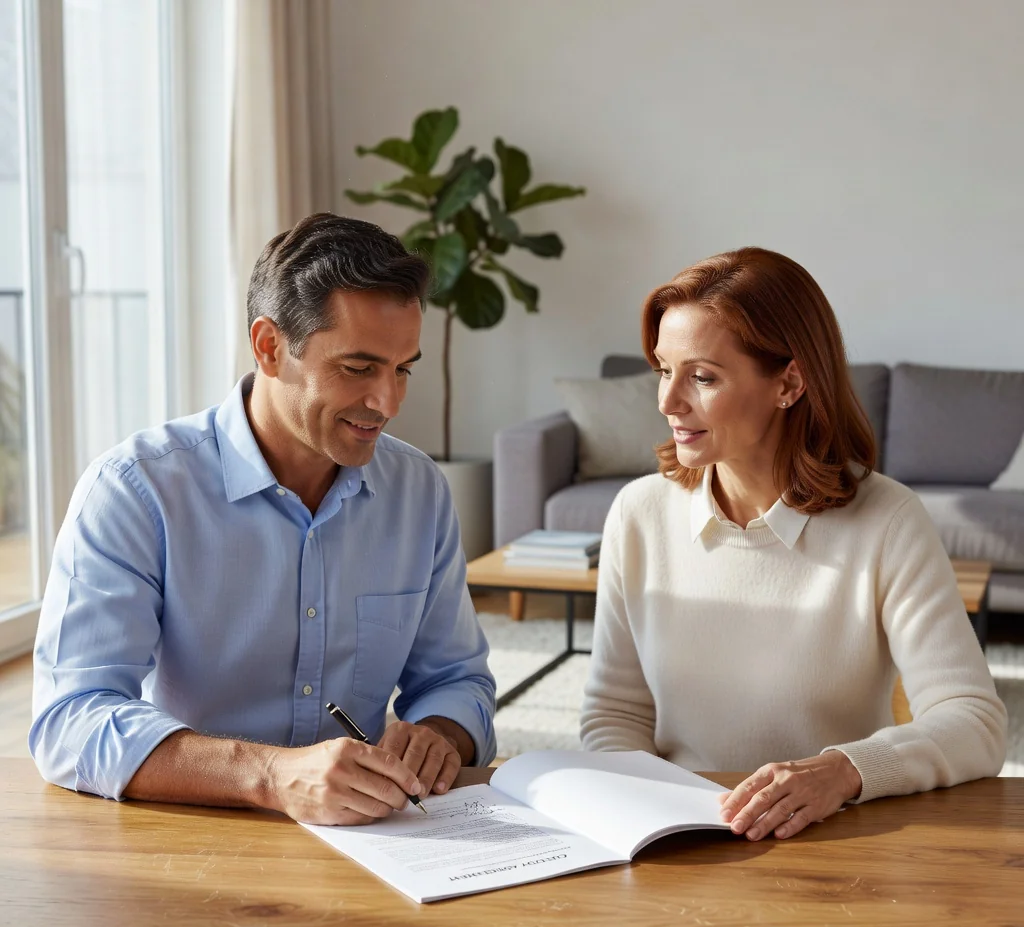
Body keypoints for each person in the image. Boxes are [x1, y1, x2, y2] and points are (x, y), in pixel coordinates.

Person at [30, 213, 496, 825]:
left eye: (402, 368)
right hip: (187, 840)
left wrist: (440, 732)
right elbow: (70, 719)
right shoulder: (134, 492)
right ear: (270, 347)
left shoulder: (418, 491)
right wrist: (271, 776)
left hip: (376, 845)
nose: (389, 402)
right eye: (359, 369)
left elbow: (457, 678)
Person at [580, 247, 1007, 841]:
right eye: (662, 369)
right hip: (678, 841)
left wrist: (844, 770)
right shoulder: (639, 512)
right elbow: (615, 714)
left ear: (789, 383)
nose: (668, 401)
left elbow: (975, 722)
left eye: (702, 376)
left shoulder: (887, 520)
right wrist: (651, 816)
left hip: (834, 845)